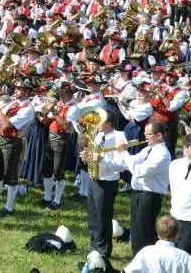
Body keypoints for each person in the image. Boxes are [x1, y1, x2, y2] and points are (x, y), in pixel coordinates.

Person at [110, 121, 172, 256]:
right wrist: (107, 159)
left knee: (144, 236)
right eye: (145, 134)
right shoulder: (148, 149)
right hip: (138, 194)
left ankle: (145, 264)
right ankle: (137, 262)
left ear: (159, 136)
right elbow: (130, 162)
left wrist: (124, 152)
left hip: (149, 197)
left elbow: (138, 171)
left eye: (149, 134)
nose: (145, 137)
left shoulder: (162, 154)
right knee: (137, 234)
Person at [0, 79, 35, 215]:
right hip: (1, 138)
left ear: (27, 92)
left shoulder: (28, 109)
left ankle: (9, 207)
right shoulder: (13, 103)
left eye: (19, 89)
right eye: (15, 88)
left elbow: (7, 124)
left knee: (11, 175)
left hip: (14, 142)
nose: (15, 90)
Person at [83, 114, 127, 272]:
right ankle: (93, 247)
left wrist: (103, 160)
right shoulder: (99, 135)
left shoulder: (119, 137)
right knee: (93, 216)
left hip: (107, 182)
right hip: (94, 178)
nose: (96, 124)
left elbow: (122, 165)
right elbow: (94, 154)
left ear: (108, 123)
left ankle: (103, 251)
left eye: (99, 122)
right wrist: (87, 156)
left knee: (103, 217)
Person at [123, 215, 191, 273]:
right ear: (177, 236)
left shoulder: (146, 252)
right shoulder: (185, 258)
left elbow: (127, 271)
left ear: (158, 233)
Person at [168, 133, 191, 255]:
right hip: (176, 215)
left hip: (190, 219)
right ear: (185, 148)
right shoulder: (175, 165)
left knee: (185, 253)